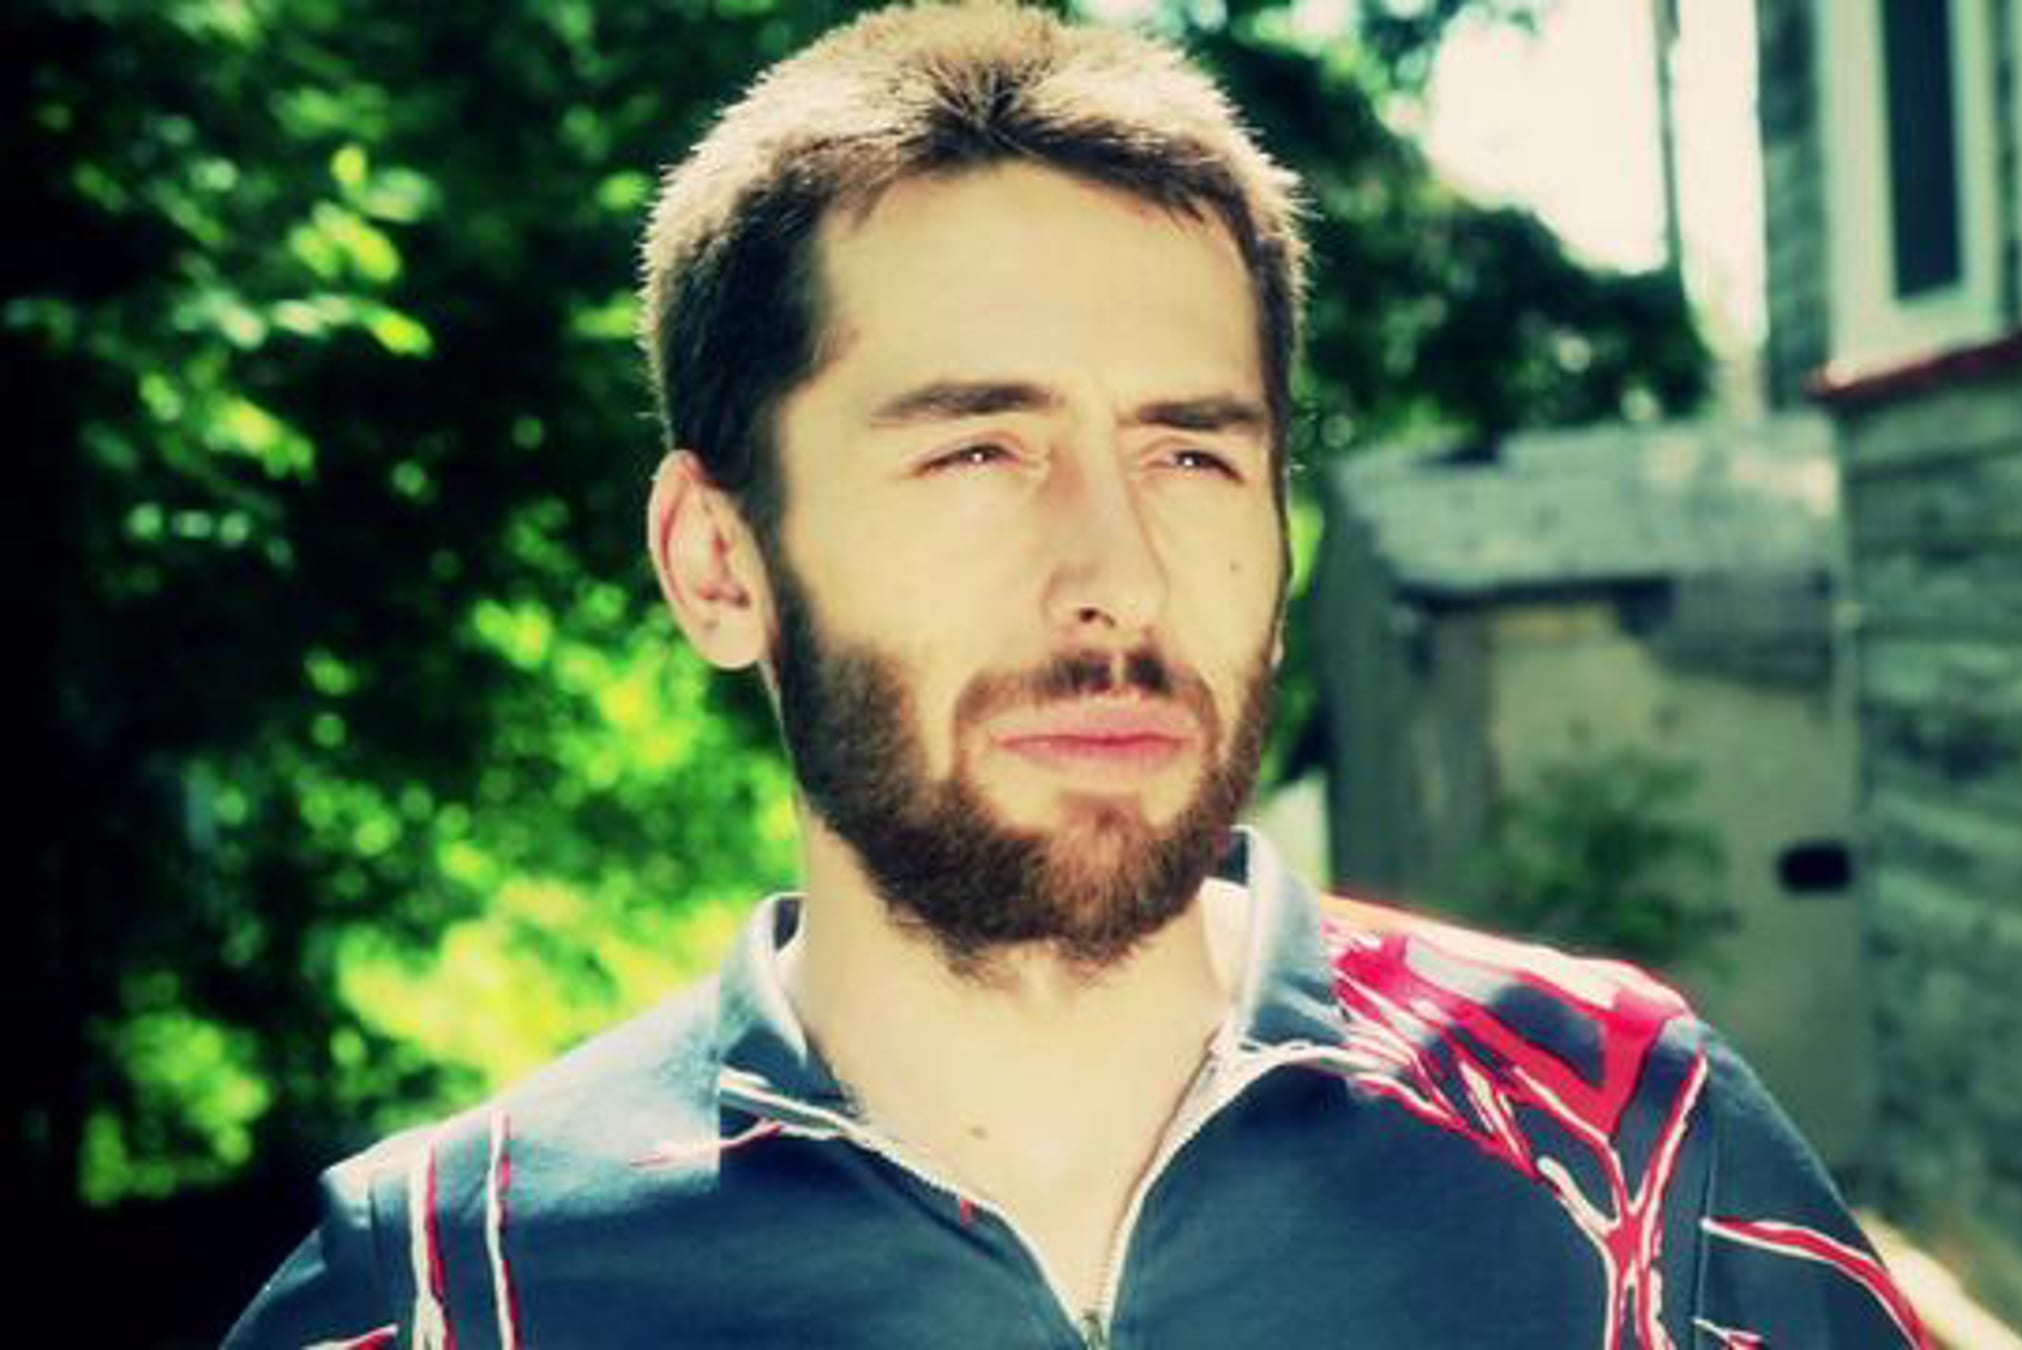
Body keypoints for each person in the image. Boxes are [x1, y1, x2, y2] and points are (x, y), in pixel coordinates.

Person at [228, 4, 1928, 1346]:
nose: (1117, 575)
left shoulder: (1637, 1153)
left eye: (1192, 456)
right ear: (718, 560)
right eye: (978, 451)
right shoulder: (454, 1286)